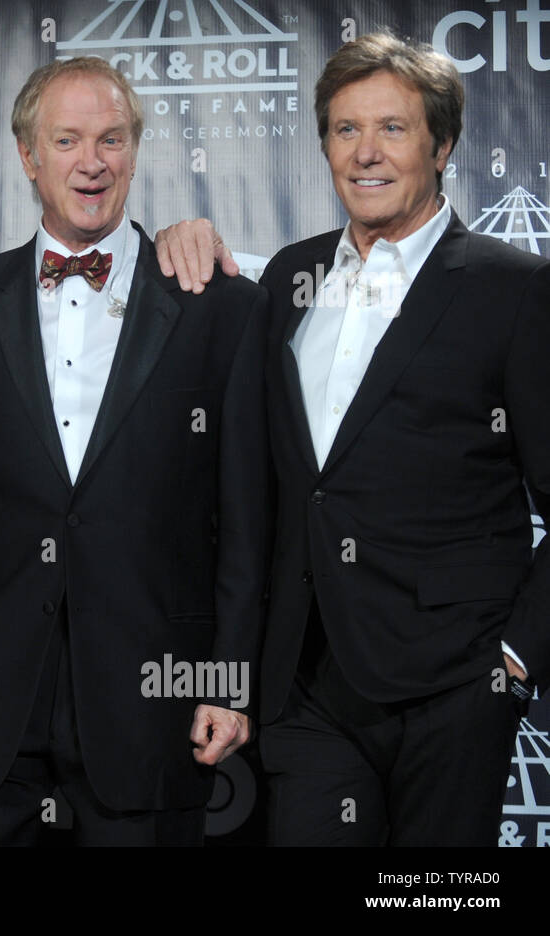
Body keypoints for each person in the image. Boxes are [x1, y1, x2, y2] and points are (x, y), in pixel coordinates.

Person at [155, 33, 550, 845]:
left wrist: (513, 661)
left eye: (393, 129)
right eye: (344, 130)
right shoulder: (288, 281)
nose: (366, 153)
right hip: (304, 685)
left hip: (451, 684)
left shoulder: (514, 289)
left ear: (442, 145)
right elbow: (257, 496)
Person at [0, 57, 269, 846]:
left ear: (134, 153)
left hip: (151, 703)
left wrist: (229, 680)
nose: (92, 161)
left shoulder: (220, 305)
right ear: (29, 156)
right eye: (67, 140)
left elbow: (246, 516)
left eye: (111, 139)